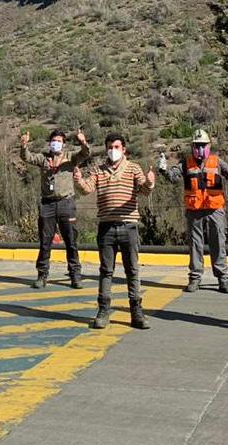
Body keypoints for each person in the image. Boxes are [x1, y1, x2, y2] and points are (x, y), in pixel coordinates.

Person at [74, 133, 155, 329]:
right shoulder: (98, 170)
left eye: (116, 147)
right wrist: (78, 180)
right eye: (110, 147)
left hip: (129, 226)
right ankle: (103, 310)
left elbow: (144, 191)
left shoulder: (133, 168)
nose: (113, 150)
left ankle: (136, 311)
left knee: (132, 270)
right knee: (106, 271)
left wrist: (149, 182)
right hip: (106, 227)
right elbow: (86, 189)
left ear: (124, 149)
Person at [157, 129, 228, 293]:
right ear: (192, 146)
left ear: (209, 145)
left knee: (218, 243)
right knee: (195, 244)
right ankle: (195, 278)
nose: (200, 148)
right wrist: (163, 169)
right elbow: (173, 177)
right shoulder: (186, 163)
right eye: (197, 145)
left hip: (215, 209)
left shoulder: (217, 162)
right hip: (194, 210)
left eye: (203, 145)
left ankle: (223, 279)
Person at [20, 128, 88, 289]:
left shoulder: (70, 157)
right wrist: (23, 145)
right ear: (49, 143)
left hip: (66, 203)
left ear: (63, 144)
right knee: (45, 242)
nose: (56, 143)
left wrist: (83, 142)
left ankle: (75, 275)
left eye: (59, 141)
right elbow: (27, 157)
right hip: (47, 204)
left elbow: (85, 154)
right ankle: (42, 275)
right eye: (53, 140)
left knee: (71, 241)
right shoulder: (43, 158)